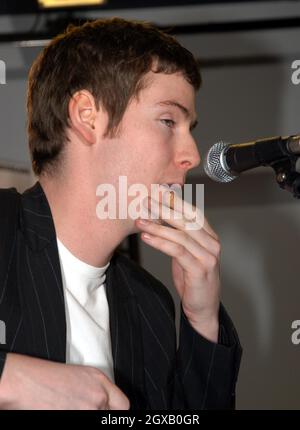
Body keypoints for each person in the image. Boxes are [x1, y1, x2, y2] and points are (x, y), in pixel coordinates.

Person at [0, 17, 242, 410]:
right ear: (87, 116)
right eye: (168, 121)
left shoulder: (150, 304)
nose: (192, 155)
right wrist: (17, 379)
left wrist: (202, 320)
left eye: (189, 127)